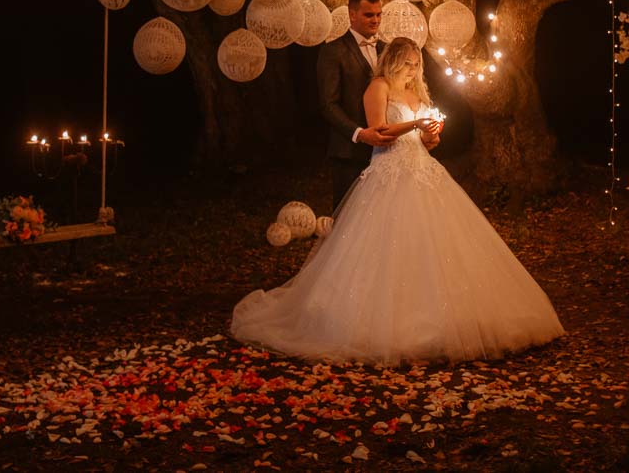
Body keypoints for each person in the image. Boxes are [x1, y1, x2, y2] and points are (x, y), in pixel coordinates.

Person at [231, 37, 565, 365]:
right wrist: (414, 124)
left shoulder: (416, 91)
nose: (413, 69)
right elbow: (379, 131)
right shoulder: (379, 87)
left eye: (417, 63)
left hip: (423, 170)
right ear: (393, 61)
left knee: (436, 244)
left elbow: (425, 141)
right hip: (388, 171)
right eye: (408, 63)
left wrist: (431, 133)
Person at [317, 0, 442, 210]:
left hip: (392, 150)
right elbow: (328, 104)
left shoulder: (389, 49)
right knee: (350, 221)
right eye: (368, 15)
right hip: (350, 150)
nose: (375, 20)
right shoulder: (333, 51)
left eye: (379, 14)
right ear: (352, 14)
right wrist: (360, 133)